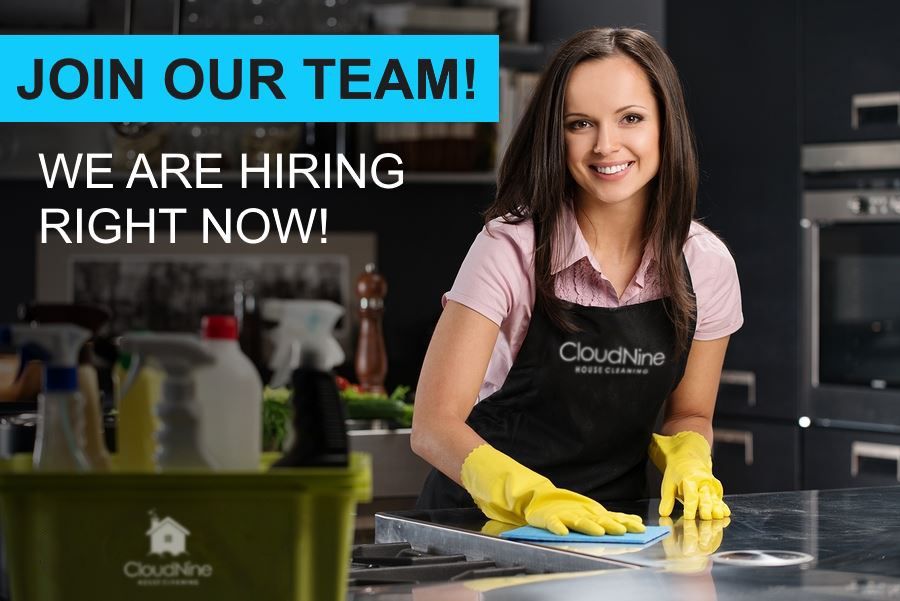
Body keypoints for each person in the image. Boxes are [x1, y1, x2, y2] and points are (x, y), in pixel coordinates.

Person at [410, 27, 742, 537]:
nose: (606, 146)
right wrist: (528, 496)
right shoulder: (509, 250)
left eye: (631, 118)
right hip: (477, 531)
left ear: (665, 127)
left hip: (614, 537)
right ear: (555, 136)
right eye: (580, 124)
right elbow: (433, 426)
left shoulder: (706, 263)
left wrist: (691, 455)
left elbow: (691, 412)